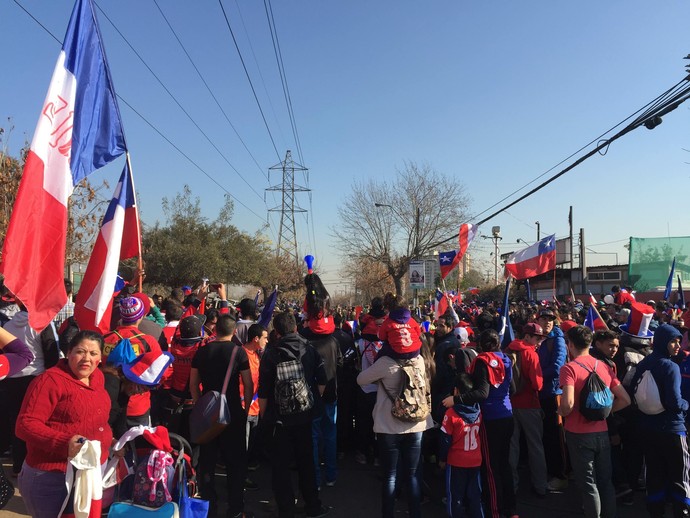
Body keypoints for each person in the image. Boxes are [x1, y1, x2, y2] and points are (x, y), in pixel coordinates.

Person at [16, 330, 113, 518]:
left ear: (100, 357)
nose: (86, 359)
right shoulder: (49, 381)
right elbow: (25, 424)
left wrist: (110, 439)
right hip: (52, 476)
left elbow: (95, 418)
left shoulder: (98, 378)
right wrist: (64, 443)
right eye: (80, 351)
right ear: (68, 353)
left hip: (90, 471)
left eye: (93, 354)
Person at [357, 316, 434, 518]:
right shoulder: (419, 360)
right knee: (413, 474)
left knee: (390, 475)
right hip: (416, 424)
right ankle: (415, 513)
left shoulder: (385, 362)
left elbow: (361, 379)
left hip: (389, 425)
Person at [258, 311, 329, 518]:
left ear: (276, 332)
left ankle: (286, 509)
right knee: (306, 462)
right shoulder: (309, 349)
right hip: (305, 417)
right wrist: (309, 400)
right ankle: (312, 506)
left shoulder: (271, 354)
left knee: (280, 467)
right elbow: (322, 381)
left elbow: (263, 391)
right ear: (296, 328)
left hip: (279, 418)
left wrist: (266, 416)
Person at [558, 325, 631, 518]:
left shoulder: (568, 369)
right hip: (602, 432)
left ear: (570, 344)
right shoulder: (604, 366)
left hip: (578, 434)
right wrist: (605, 414)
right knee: (605, 482)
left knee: (588, 484)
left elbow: (568, 404)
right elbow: (625, 399)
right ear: (590, 343)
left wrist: (560, 411)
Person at [190, 314, 253, 518]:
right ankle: (235, 508)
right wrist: (244, 408)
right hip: (232, 411)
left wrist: (201, 403)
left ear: (215, 331)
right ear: (234, 332)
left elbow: (193, 383)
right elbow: (248, 383)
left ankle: (210, 507)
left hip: (209, 413)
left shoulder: (202, 351)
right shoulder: (239, 352)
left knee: (207, 460)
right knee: (235, 462)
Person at [630, 324, 690, 518]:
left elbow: (633, 392)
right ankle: (682, 512)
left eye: (679, 341)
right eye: (673, 341)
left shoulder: (644, 363)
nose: (677, 345)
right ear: (663, 342)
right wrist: (685, 404)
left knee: (654, 473)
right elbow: (674, 402)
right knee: (680, 475)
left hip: (647, 428)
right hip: (672, 429)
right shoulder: (670, 366)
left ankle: (655, 512)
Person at [507, 322, 548, 497]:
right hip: (530, 405)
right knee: (535, 447)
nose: (539, 341)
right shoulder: (531, 354)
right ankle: (540, 486)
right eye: (537, 338)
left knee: (512, 447)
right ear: (527, 337)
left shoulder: (507, 350)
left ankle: (512, 486)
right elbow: (538, 384)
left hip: (509, 404)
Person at [440, 372, 484, 518]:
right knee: (475, 496)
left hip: (456, 460)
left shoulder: (451, 413)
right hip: (475, 460)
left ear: (456, 391)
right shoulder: (478, 410)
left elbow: (445, 439)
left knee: (455, 497)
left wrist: (442, 458)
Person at [536, 308, 569, 492]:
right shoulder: (539, 339)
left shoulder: (558, 340)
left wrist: (537, 377)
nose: (547, 322)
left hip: (553, 394)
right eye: (544, 318)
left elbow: (557, 367)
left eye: (550, 319)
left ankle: (561, 474)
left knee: (557, 436)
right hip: (541, 393)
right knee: (547, 435)